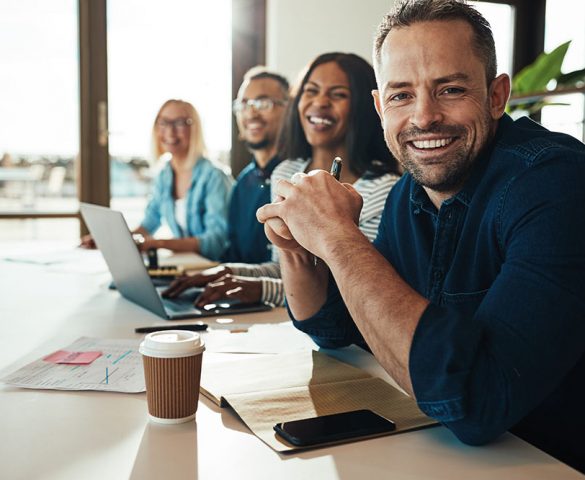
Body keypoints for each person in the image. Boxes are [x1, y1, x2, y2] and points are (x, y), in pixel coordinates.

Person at [257, 0, 585, 473]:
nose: (424, 117)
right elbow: (338, 330)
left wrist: (336, 237)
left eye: (450, 89)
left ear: (496, 96)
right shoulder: (408, 194)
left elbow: (476, 400)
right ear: (379, 107)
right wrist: (296, 245)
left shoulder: (555, 183)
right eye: (401, 95)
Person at [166, 52, 401, 308]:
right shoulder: (286, 172)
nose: (320, 102)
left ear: (365, 107)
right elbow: (285, 268)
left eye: (338, 94)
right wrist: (226, 272)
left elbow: (351, 286)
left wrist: (261, 290)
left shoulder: (384, 190)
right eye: (311, 91)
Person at [161, 67, 289, 301]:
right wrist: (206, 275)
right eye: (243, 105)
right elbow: (234, 252)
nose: (251, 113)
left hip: (277, 305)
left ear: (289, 109)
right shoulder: (244, 182)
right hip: (244, 299)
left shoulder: (296, 177)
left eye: (263, 104)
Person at [81, 99, 231, 260]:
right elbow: (148, 224)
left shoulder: (215, 177)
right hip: (187, 267)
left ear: (195, 129)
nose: (170, 131)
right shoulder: (164, 174)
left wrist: (156, 244)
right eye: (164, 122)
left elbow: (214, 243)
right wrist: (111, 240)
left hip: (215, 270)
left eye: (180, 123)